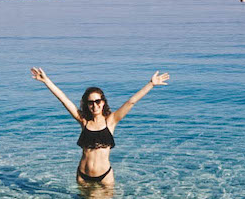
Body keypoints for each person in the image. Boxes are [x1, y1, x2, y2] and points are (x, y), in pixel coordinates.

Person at [29, 67, 170, 187]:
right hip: (83, 176)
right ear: (87, 105)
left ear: (103, 102)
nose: (94, 105)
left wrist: (151, 84)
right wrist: (46, 81)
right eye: (90, 102)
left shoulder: (111, 120)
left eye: (98, 101)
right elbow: (64, 100)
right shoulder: (83, 121)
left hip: (105, 177)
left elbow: (131, 102)